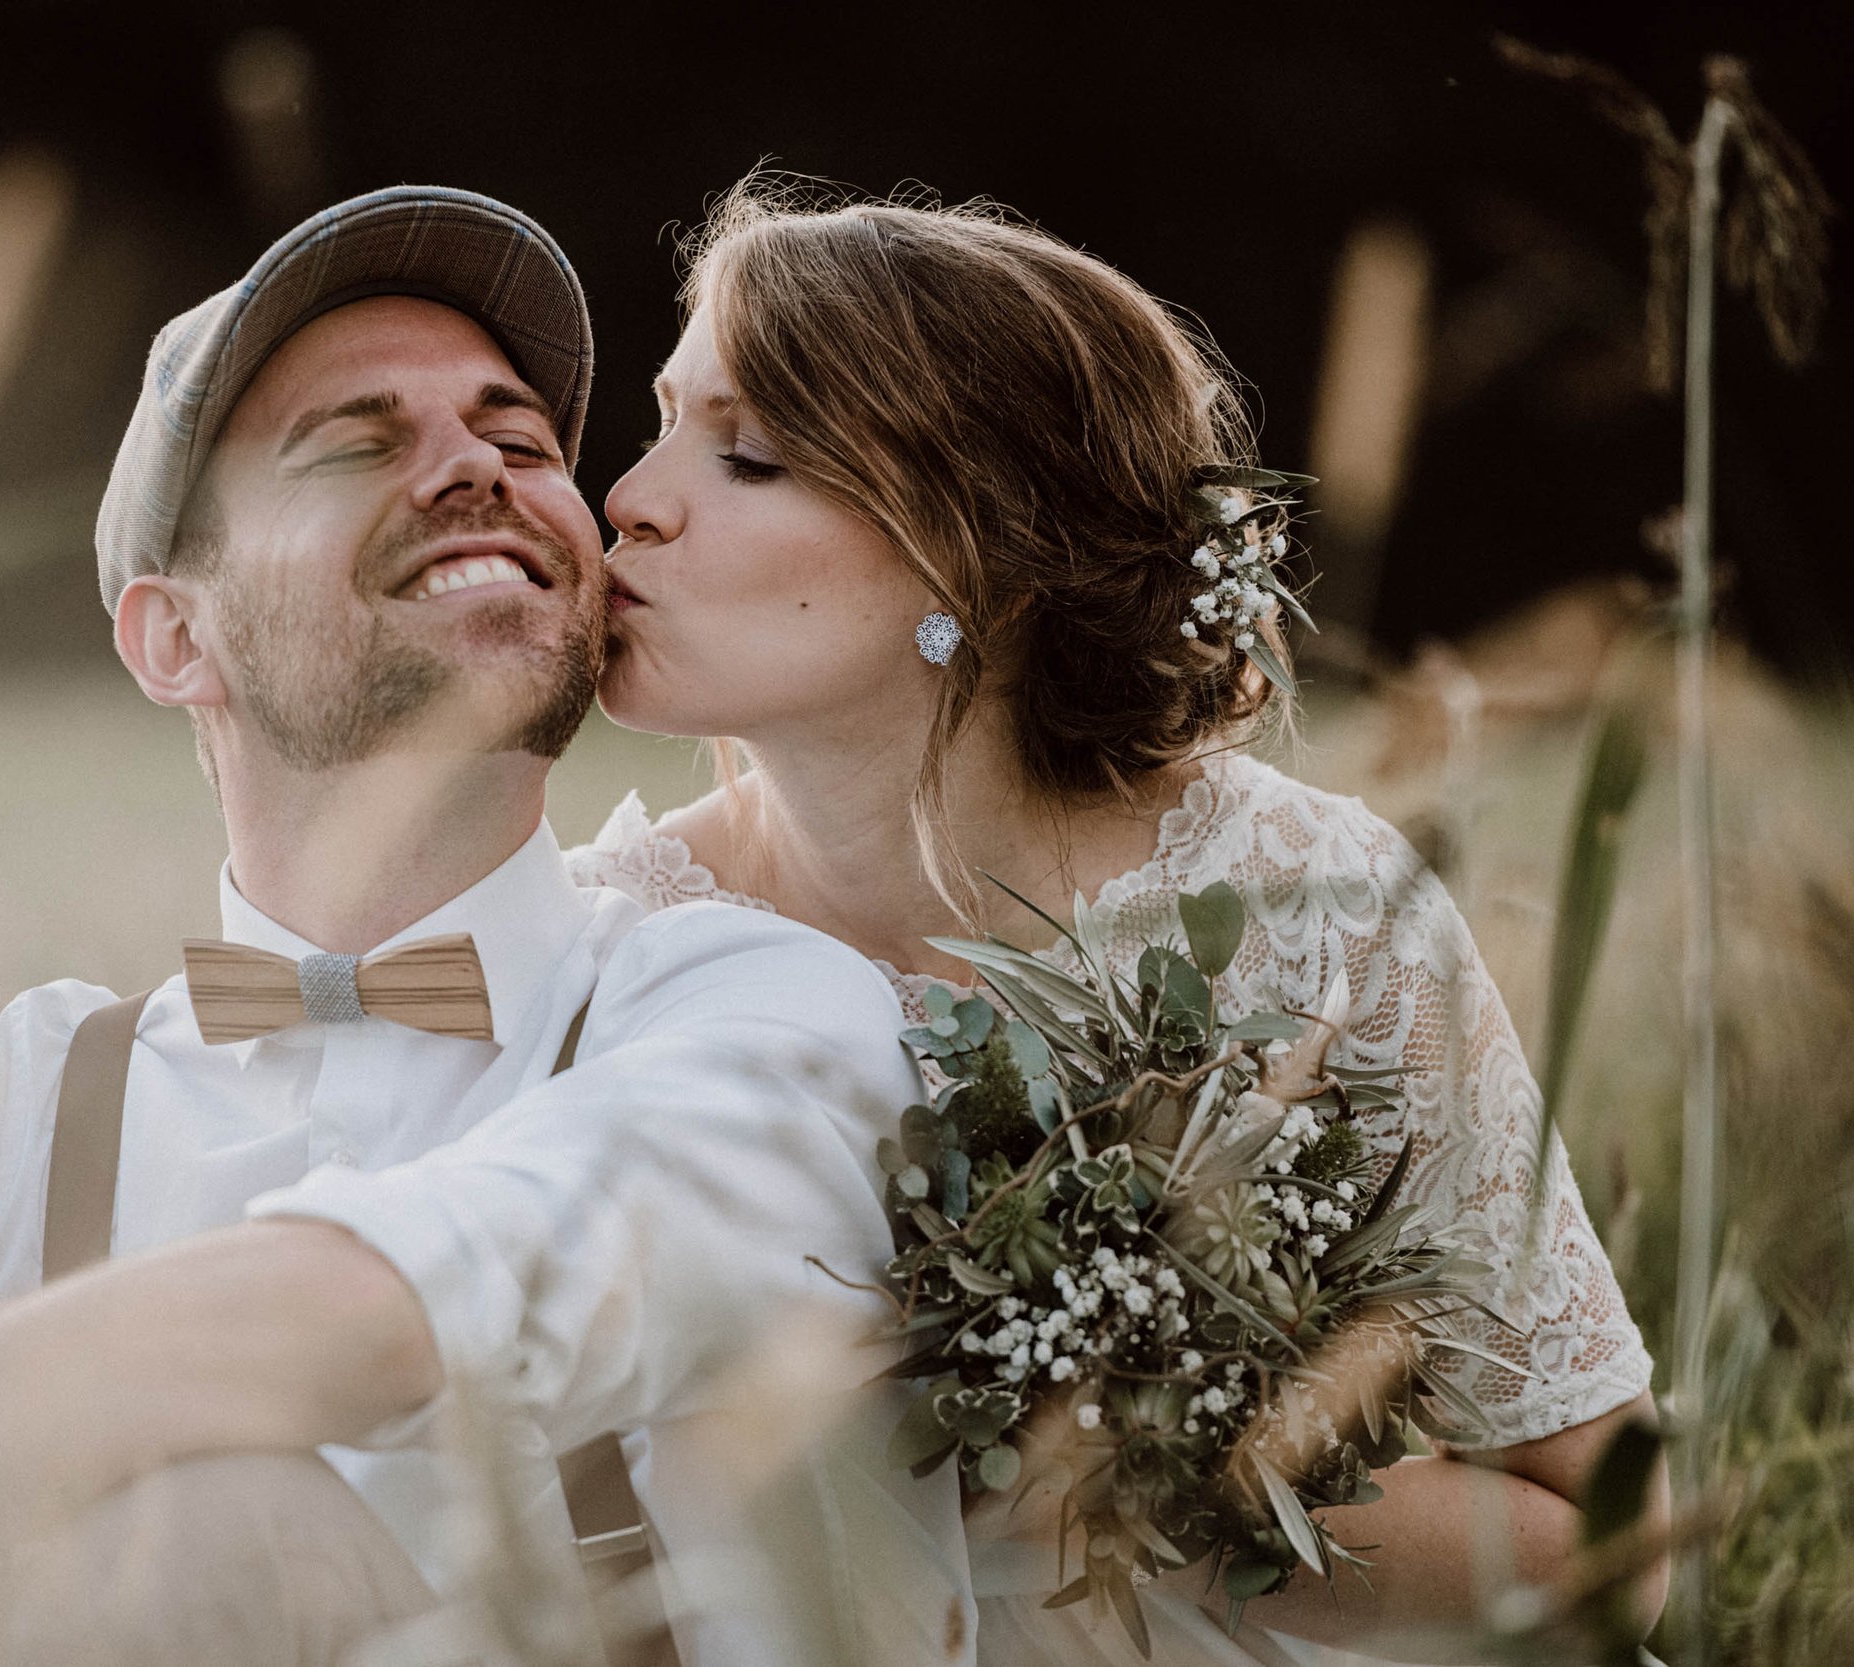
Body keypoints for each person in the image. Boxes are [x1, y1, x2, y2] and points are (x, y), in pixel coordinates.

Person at [0, 186, 971, 1667]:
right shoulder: (53, 1104)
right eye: (356, 442)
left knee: (220, 1538)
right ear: (175, 637)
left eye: (521, 439)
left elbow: (380, 1305)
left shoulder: (762, 1011)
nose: (476, 466)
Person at [568, 180, 1669, 1664]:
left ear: (984, 564)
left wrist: (1151, 1470)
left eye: (750, 454)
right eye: (660, 420)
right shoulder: (609, 942)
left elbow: (1613, 1548)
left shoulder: (1317, 917)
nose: (628, 495)